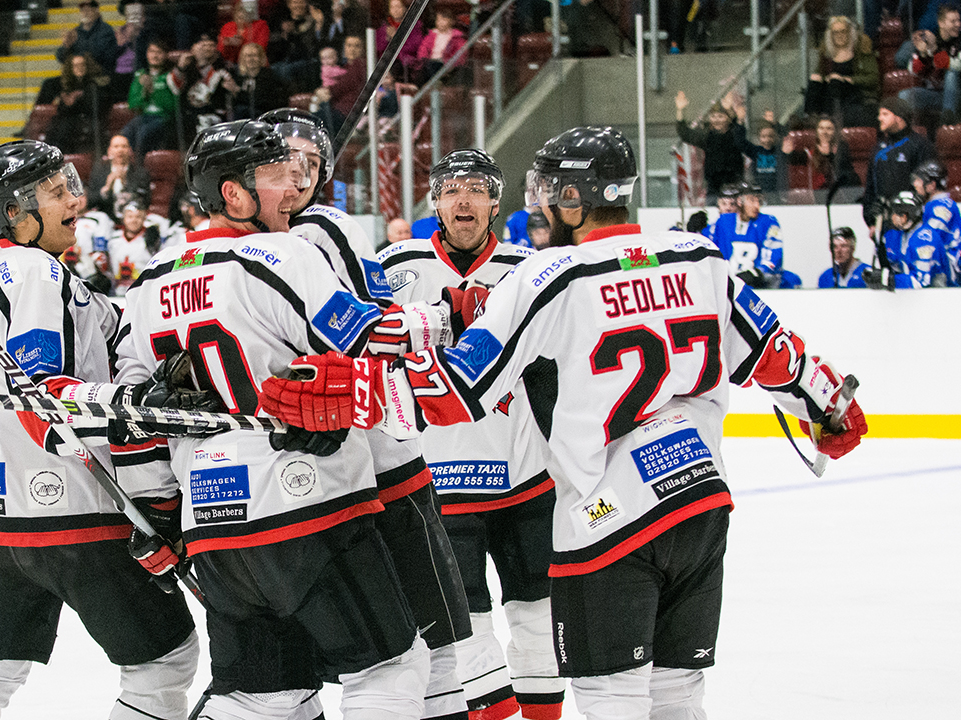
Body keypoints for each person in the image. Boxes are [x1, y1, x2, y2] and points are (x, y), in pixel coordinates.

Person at [260, 125, 869, 720]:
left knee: (612, 698)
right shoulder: (698, 257)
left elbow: (455, 389)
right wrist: (832, 408)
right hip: (701, 504)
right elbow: (779, 356)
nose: (541, 203)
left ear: (574, 198)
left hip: (612, 516)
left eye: (549, 190)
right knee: (678, 694)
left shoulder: (551, 275)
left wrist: (352, 393)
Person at [113, 119, 431, 720]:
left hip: (212, 522)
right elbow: (370, 340)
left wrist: (158, 512)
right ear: (233, 193)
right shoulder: (285, 254)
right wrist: (437, 321)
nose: (294, 188)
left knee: (261, 695)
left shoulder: (150, 279)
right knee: (390, 668)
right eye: (277, 176)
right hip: (309, 504)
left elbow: (133, 414)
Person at [0, 139, 203, 720]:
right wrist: (126, 400)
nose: (76, 201)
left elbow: (111, 332)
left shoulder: (4, 276)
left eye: (72, 187)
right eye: (58, 192)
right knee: (164, 661)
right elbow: (44, 395)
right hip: (77, 510)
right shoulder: (33, 271)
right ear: (16, 212)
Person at [265, 108, 474, 720]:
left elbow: (372, 329)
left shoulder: (319, 229)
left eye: (309, 163)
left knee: (418, 645)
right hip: (344, 470)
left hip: (353, 467)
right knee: (392, 649)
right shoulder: (288, 237)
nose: (298, 175)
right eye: (285, 164)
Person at [376, 149, 564, 720]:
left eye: (477, 189)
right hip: (438, 484)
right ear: (435, 203)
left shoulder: (530, 268)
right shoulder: (393, 267)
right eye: (452, 189)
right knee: (466, 628)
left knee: (538, 619)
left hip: (527, 477)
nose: (464, 199)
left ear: (495, 203)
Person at [859, 97, 935, 229]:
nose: (879, 118)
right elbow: (871, 186)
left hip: (912, 221)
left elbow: (926, 186)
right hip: (883, 221)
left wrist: (912, 211)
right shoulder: (878, 149)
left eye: (885, 114)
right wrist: (870, 219)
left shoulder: (920, 146)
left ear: (899, 117)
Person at [804, 15, 879, 128]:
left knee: (836, 81)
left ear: (849, 32)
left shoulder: (861, 49)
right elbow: (820, 75)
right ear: (831, 35)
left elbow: (873, 79)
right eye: (835, 32)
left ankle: (833, 119)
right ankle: (811, 118)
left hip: (855, 93)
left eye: (843, 31)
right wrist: (825, 78)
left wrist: (848, 79)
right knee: (815, 79)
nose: (839, 35)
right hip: (830, 93)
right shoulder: (826, 52)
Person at [709, 182, 786, 288]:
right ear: (740, 201)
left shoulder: (768, 222)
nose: (757, 206)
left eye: (759, 201)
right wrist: (696, 231)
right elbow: (709, 249)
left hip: (760, 287)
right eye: (752, 200)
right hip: (728, 287)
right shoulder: (724, 221)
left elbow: (773, 257)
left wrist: (757, 273)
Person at [674, 91, 747, 196]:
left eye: (720, 116)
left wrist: (731, 111)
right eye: (713, 116)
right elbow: (685, 133)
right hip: (714, 188)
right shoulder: (708, 137)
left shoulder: (734, 134)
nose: (717, 120)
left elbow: (738, 129)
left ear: (727, 119)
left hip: (735, 186)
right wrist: (680, 110)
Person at [879, 189, 949, 287]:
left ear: (905, 216)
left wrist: (888, 279)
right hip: (915, 294)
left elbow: (921, 281)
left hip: (941, 294)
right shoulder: (899, 235)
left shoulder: (924, 239)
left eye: (894, 213)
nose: (891, 217)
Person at [902, 4, 961, 118]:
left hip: (956, 94)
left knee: (951, 74)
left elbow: (958, 66)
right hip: (935, 94)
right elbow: (912, 70)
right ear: (941, 23)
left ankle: (947, 121)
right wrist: (923, 55)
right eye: (953, 21)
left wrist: (934, 50)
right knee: (904, 95)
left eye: (959, 20)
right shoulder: (930, 39)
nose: (958, 24)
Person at [123, 40, 180, 156]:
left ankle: (142, 163)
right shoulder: (140, 75)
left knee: (143, 134)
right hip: (144, 116)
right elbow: (133, 104)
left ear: (166, 55)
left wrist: (153, 91)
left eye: (159, 52)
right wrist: (144, 92)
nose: (155, 55)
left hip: (164, 118)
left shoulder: (171, 75)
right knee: (124, 134)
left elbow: (172, 106)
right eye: (152, 52)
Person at [41, 53, 106, 155]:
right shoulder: (65, 85)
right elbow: (62, 111)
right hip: (69, 121)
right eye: (76, 65)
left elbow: (96, 108)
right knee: (58, 127)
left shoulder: (93, 85)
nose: (80, 68)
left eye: (82, 65)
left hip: (88, 121)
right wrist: (68, 104)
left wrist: (78, 100)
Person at [175, 33, 232, 142]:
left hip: (214, 114)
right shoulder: (187, 68)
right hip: (190, 114)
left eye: (211, 45)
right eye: (203, 45)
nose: (207, 49)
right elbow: (175, 89)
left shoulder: (223, 68)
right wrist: (181, 67)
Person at [911, 159, 961, 283]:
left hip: (950, 269)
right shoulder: (933, 204)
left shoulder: (941, 206)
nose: (915, 184)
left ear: (932, 185)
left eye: (919, 180)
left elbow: (928, 240)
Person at [783, 115, 860, 194]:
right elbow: (794, 159)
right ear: (817, 131)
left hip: (843, 192)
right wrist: (786, 153)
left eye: (829, 129)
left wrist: (831, 153)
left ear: (834, 132)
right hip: (819, 194)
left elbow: (845, 173)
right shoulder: (810, 152)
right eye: (821, 128)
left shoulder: (842, 148)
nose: (824, 132)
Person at [90, 134, 152, 220]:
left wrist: (126, 183)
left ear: (130, 151)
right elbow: (90, 200)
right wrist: (107, 188)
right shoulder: (99, 172)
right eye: (116, 147)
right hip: (106, 218)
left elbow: (145, 200)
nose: (120, 150)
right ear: (109, 151)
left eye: (124, 146)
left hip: (133, 219)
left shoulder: (140, 173)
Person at [105, 199, 164, 291]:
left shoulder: (151, 239)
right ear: (123, 218)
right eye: (130, 216)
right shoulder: (113, 238)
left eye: (138, 217)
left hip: (142, 292)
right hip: (116, 291)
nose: (134, 220)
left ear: (144, 218)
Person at [224, 42, 291, 120]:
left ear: (261, 58)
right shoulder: (237, 77)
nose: (251, 59)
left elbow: (262, 102)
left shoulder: (270, 76)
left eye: (255, 55)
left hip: (265, 116)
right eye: (248, 56)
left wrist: (238, 91)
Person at [57, 0, 122, 75]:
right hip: (80, 75)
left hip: (100, 74)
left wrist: (82, 58)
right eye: (83, 10)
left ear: (96, 12)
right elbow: (61, 58)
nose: (85, 13)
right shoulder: (75, 32)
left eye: (89, 10)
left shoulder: (106, 30)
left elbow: (109, 58)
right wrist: (66, 47)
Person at [411, 6, 466, 85]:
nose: (440, 22)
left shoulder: (456, 37)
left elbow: (460, 53)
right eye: (438, 20)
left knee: (433, 66)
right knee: (421, 69)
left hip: (445, 63)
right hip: (430, 61)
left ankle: (435, 84)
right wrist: (422, 58)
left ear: (451, 21)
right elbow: (423, 47)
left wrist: (451, 63)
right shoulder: (432, 34)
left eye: (444, 20)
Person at [374, 0, 425, 82]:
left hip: (405, 63)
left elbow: (414, 47)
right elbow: (377, 48)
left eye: (398, 7)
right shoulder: (385, 27)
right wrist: (387, 38)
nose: (395, 10)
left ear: (405, 8)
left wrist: (397, 38)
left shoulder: (414, 25)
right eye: (392, 7)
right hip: (386, 62)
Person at [741, 112, 786, 199]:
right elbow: (740, 142)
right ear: (759, 137)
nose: (767, 140)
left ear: (775, 137)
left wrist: (775, 124)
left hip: (777, 192)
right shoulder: (755, 151)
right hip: (758, 192)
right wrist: (740, 122)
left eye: (770, 136)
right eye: (763, 136)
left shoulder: (780, 151)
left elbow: (786, 135)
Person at [217, 1, 270, 65]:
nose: (241, 14)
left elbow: (261, 48)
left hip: (253, 63)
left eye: (245, 11)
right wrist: (228, 45)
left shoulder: (260, 25)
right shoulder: (227, 26)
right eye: (239, 10)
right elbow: (220, 51)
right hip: (230, 64)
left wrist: (241, 44)